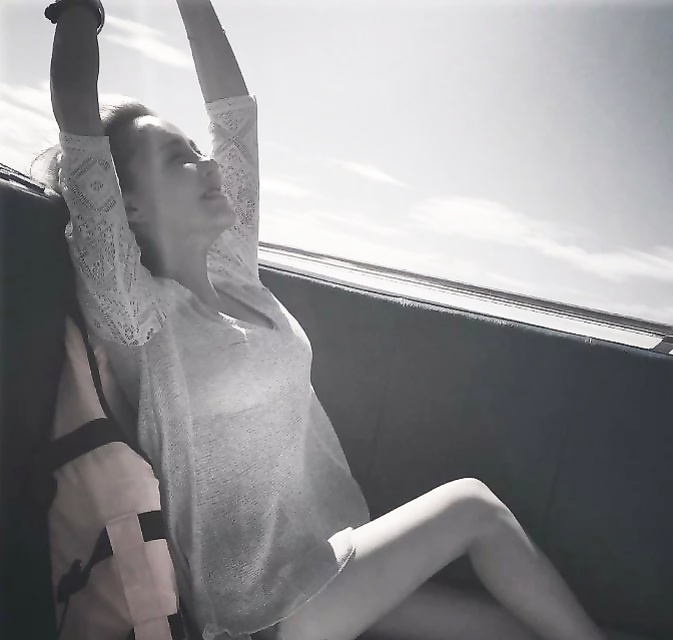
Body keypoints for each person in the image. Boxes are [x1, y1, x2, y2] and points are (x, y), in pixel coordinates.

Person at [34, 1, 608, 640]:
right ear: (129, 206)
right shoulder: (136, 315)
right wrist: (81, 13)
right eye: (178, 159)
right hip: (262, 615)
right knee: (473, 505)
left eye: (196, 149)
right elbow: (77, 117)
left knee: (516, 629)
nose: (209, 164)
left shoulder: (233, 270)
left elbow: (235, 117)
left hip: (333, 566)